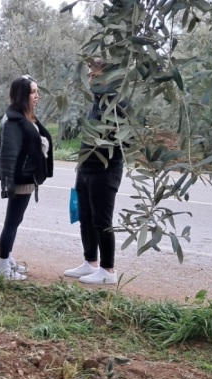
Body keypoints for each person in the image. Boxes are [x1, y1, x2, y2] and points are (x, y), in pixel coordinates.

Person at [64, 58, 127, 285]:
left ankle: (108, 270)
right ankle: (90, 261)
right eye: (89, 75)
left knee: (102, 220)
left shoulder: (118, 103)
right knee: (86, 217)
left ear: (108, 77)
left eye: (95, 75)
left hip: (105, 170)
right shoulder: (98, 102)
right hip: (87, 168)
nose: (90, 79)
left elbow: (124, 142)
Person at [0, 75, 54, 280]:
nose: (37, 96)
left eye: (37, 92)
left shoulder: (25, 116)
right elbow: (8, 156)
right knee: (12, 222)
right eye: (33, 92)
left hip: (26, 178)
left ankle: (7, 260)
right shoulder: (13, 121)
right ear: (22, 95)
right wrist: (8, 184)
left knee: (15, 221)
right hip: (19, 179)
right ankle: (1, 269)